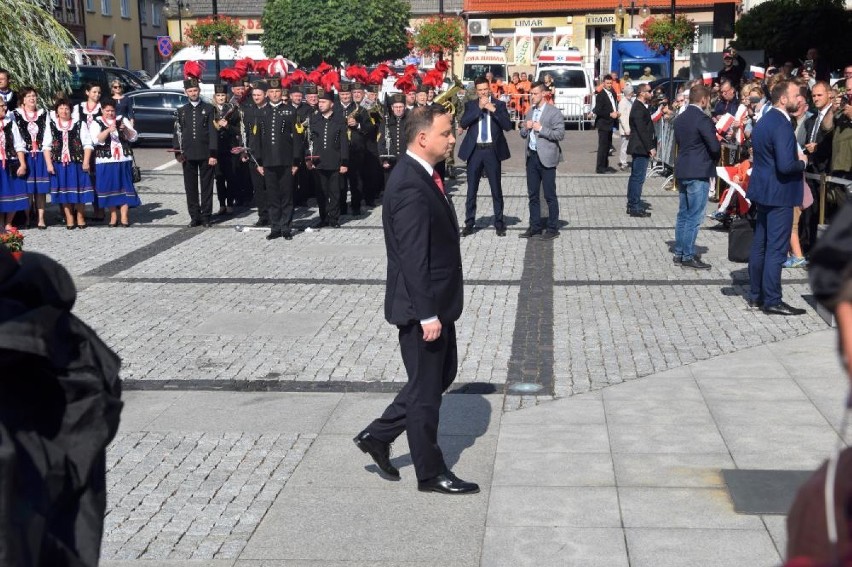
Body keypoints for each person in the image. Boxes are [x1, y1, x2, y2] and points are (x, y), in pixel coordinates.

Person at [353, 105, 478, 495]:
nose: (453, 138)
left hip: (439, 301)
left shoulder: (426, 173)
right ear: (423, 138)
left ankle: (379, 434)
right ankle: (430, 473)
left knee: (440, 376)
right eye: (446, 133)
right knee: (426, 395)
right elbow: (412, 257)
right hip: (421, 307)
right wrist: (426, 314)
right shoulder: (409, 182)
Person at [746, 80, 809, 315]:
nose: (799, 98)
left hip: (764, 191)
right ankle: (772, 299)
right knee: (776, 249)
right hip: (780, 193)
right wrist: (802, 163)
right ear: (783, 99)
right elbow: (785, 165)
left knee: (761, 245)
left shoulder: (764, 120)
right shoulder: (781, 123)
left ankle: (756, 295)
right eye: (795, 94)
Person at [457, 76, 512, 237]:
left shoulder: (499, 105)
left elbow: (508, 126)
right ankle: (469, 223)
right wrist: (479, 109)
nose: (482, 92)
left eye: (485, 89)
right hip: (475, 151)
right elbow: (464, 122)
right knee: (471, 189)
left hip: (492, 150)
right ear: (476, 91)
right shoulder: (470, 105)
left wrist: (493, 110)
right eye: (480, 90)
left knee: (496, 188)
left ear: (489, 89)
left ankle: (499, 222)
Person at [673, 85, 721, 269]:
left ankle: (679, 251)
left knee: (683, 214)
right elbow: (714, 147)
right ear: (703, 100)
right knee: (694, 215)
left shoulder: (680, 118)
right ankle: (687, 254)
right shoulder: (702, 119)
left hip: (684, 168)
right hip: (698, 170)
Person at [256, 77, 301, 241]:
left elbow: (297, 137)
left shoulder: (290, 111)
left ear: (282, 93)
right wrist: (259, 162)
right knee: (273, 196)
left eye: (277, 91)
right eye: (272, 92)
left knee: (287, 195)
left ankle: (286, 227)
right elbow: (256, 139)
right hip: (268, 162)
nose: (275, 94)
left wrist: (296, 161)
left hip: (286, 161)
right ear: (267, 94)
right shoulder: (261, 112)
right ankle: (275, 227)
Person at [518, 82, 564, 240]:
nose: (532, 96)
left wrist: (541, 129)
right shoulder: (530, 111)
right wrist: (526, 127)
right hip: (532, 156)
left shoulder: (554, 112)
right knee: (533, 195)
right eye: (531, 93)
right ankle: (535, 226)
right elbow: (523, 133)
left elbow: (560, 134)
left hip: (547, 157)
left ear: (544, 94)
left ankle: (552, 227)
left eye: (535, 93)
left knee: (550, 194)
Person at [88, 99, 141, 227]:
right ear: (102, 110)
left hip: (123, 159)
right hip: (105, 161)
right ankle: (113, 215)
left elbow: (134, 137)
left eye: (112, 110)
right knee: (109, 188)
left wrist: (125, 130)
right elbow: (95, 140)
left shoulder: (122, 120)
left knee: (125, 187)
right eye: (107, 111)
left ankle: (124, 216)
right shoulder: (96, 122)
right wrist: (107, 130)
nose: (110, 113)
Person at [173, 77, 217, 228]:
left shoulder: (209, 109)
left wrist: (213, 154)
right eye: (190, 91)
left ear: (199, 91)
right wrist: (178, 153)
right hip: (188, 154)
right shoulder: (181, 111)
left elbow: (213, 132)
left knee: (207, 187)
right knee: (190, 187)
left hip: (205, 154)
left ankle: (206, 216)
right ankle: (194, 216)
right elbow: (177, 133)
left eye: (195, 90)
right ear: (186, 92)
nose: (193, 93)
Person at [45, 99, 94, 229]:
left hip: (77, 163)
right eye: (61, 108)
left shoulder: (79, 124)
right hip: (59, 164)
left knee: (80, 191)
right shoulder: (52, 126)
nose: (64, 111)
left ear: (71, 110)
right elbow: (46, 147)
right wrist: (49, 165)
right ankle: (69, 217)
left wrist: (86, 161)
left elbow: (88, 144)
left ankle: (80, 215)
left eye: (66, 108)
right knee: (64, 192)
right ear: (56, 112)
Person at [306, 89, 348, 228]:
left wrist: (344, 162)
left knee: (335, 192)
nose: (320, 104)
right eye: (320, 102)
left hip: (335, 162)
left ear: (331, 104)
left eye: (324, 102)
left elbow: (343, 143)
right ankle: (323, 217)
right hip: (319, 162)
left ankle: (334, 218)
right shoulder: (314, 119)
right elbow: (309, 140)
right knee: (321, 192)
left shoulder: (339, 120)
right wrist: (308, 158)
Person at [13, 87, 51, 228]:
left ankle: (41, 218)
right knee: (28, 190)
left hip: (40, 154)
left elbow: (48, 134)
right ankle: (28, 218)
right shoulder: (15, 114)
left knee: (40, 190)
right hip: (25, 155)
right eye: (28, 96)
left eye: (34, 96)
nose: (32, 98)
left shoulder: (43, 114)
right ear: (23, 100)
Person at [626, 83, 656, 218]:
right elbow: (642, 131)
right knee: (638, 178)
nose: (651, 93)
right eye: (649, 91)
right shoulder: (638, 108)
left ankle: (633, 204)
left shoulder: (640, 107)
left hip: (640, 146)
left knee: (636, 177)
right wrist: (650, 147)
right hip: (640, 147)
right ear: (642, 93)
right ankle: (634, 206)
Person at [241, 81, 269, 226]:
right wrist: (243, 150)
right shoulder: (249, 111)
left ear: (266, 95)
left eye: (259, 95)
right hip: (253, 155)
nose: (256, 97)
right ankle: (263, 215)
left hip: (270, 155)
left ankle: (273, 214)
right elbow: (245, 132)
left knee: (270, 187)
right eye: (254, 95)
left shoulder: (270, 110)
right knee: (258, 188)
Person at [0, 98, 28, 228]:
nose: (4, 108)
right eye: (1, 106)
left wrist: (22, 164)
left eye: (4, 105)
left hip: (11, 162)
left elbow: (19, 145)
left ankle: (8, 223)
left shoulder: (11, 123)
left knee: (14, 192)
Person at [212, 83, 238, 216]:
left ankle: (230, 203)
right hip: (216, 149)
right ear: (215, 96)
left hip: (230, 148)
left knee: (231, 177)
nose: (221, 98)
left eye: (223, 95)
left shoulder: (233, 109)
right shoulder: (211, 110)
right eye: (218, 95)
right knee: (219, 178)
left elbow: (238, 130)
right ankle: (221, 204)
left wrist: (227, 125)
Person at [379, 92, 407, 185]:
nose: (398, 109)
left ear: (405, 107)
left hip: (406, 161)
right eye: (396, 107)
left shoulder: (410, 121)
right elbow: (381, 142)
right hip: (391, 161)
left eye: (400, 107)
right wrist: (384, 159)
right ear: (392, 108)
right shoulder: (386, 122)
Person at [593, 75, 619, 174]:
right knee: (603, 146)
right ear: (603, 83)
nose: (609, 85)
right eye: (607, 83)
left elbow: (613, 105)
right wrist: (609, 114)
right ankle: (600, 168)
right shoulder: (601, 95)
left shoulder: (612, 93)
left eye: (610, 83)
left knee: (608, 146)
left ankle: (605, 165)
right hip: (603, 123)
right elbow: (598, 110)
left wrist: (616, 112)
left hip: (610, 123)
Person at [617, 83, 634, 171]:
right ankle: (623, 163)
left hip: (630, 128)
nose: (633, 94)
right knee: (624, 147)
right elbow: (622, 117)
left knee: (628, 146)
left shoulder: (630, 101)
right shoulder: (623, 102)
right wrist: (626, 129)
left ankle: (626, 161)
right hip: (626, 129)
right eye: (631, 92)